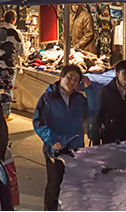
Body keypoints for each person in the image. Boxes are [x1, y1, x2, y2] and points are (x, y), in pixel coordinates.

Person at [33, 64, 89, 211]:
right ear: (61, 77)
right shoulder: (48, 97)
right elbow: (38, 122)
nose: (71, 81)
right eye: (69, 77)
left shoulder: (79, 98)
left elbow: (94, 111)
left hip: (75, 148)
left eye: (76, 79)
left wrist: (89, 89)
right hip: (55, 150)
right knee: (54, 185)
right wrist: (51, 139)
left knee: (74, 185)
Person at [95, 60, 126, 144]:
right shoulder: (105, 91)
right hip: (110, 132)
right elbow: (99, 114)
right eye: (124, 73)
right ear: (117, 74)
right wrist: (96, 141)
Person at [0, 10, 23, 118]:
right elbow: (21, 51)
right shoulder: (16, 33)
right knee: (8, 87)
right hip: (10, 64)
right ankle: (5, 113)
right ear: (14, 20)